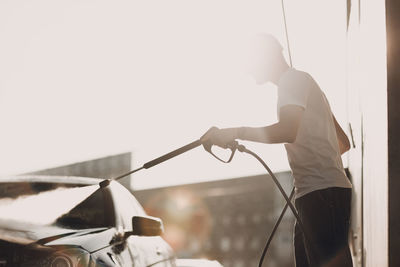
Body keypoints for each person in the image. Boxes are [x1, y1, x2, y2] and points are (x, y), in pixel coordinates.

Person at [200, 34, 353, 267]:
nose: (250, 72)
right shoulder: (303, 84)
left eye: (251, 64)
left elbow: (287, 131)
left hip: (321, 195)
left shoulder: (291, 82)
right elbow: (342, 143)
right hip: (317, 193)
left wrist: (235, 132)